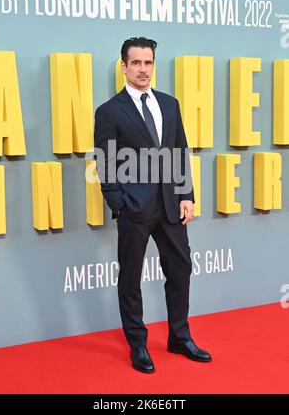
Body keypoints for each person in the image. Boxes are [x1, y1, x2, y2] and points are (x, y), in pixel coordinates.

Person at [94, 37, 211, 373]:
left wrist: (186, 195)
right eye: (136, 63)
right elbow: (105, 163)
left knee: (181, 269)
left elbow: (179, 152)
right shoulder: (109, 112)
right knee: (130, 277)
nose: (143, 69)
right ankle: (138, 345)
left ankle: (180, 337)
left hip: (171, 204)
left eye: (148, 63)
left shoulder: (170, 104)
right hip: (134, 208)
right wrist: (119, 205)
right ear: (124, 66)